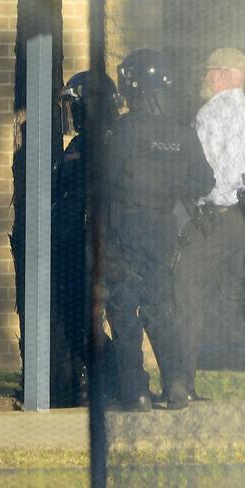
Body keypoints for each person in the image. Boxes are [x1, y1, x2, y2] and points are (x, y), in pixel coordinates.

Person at [103, 49, 214, 411]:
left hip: (126, 227)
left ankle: (135, 391)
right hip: (165, 229)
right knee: (160, 307)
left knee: (123, 308)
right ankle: (177, 383)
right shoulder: (182, 133)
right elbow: (204, 180)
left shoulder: (123, 129)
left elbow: (102, 180)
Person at [175, 48, 245, 399]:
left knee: (187, 293)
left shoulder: (209, 113)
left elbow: (200, 173)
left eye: (208, 72)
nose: (204, 79)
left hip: (216, 219)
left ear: (222, 73)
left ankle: (182, 384)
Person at [53, 71, 122, 407]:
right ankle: (88, 382)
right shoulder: (78, 145)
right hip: (75, 244)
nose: (73, 113)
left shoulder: (112, 142)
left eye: (76, 105)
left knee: (101, 316)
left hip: (104, 245)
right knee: (80, 317)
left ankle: (114, 382)